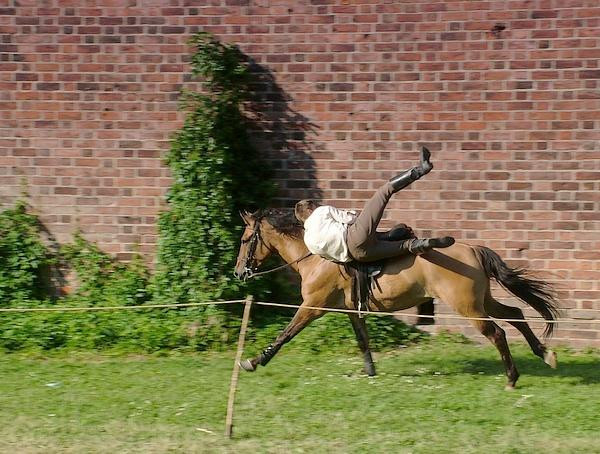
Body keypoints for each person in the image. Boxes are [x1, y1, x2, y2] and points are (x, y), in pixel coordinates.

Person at [294, 147, 455, 263]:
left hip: (359, 255)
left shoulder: (309, 241)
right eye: (314, 205)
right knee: (383, 191)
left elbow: (331, 258)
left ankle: (423, 243)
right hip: (356, 235)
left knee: (405, 246)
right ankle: (421, 169)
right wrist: (357, 216)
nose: (317, 205)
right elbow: (350, 219)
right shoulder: (321, 212)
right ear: (309, 209)